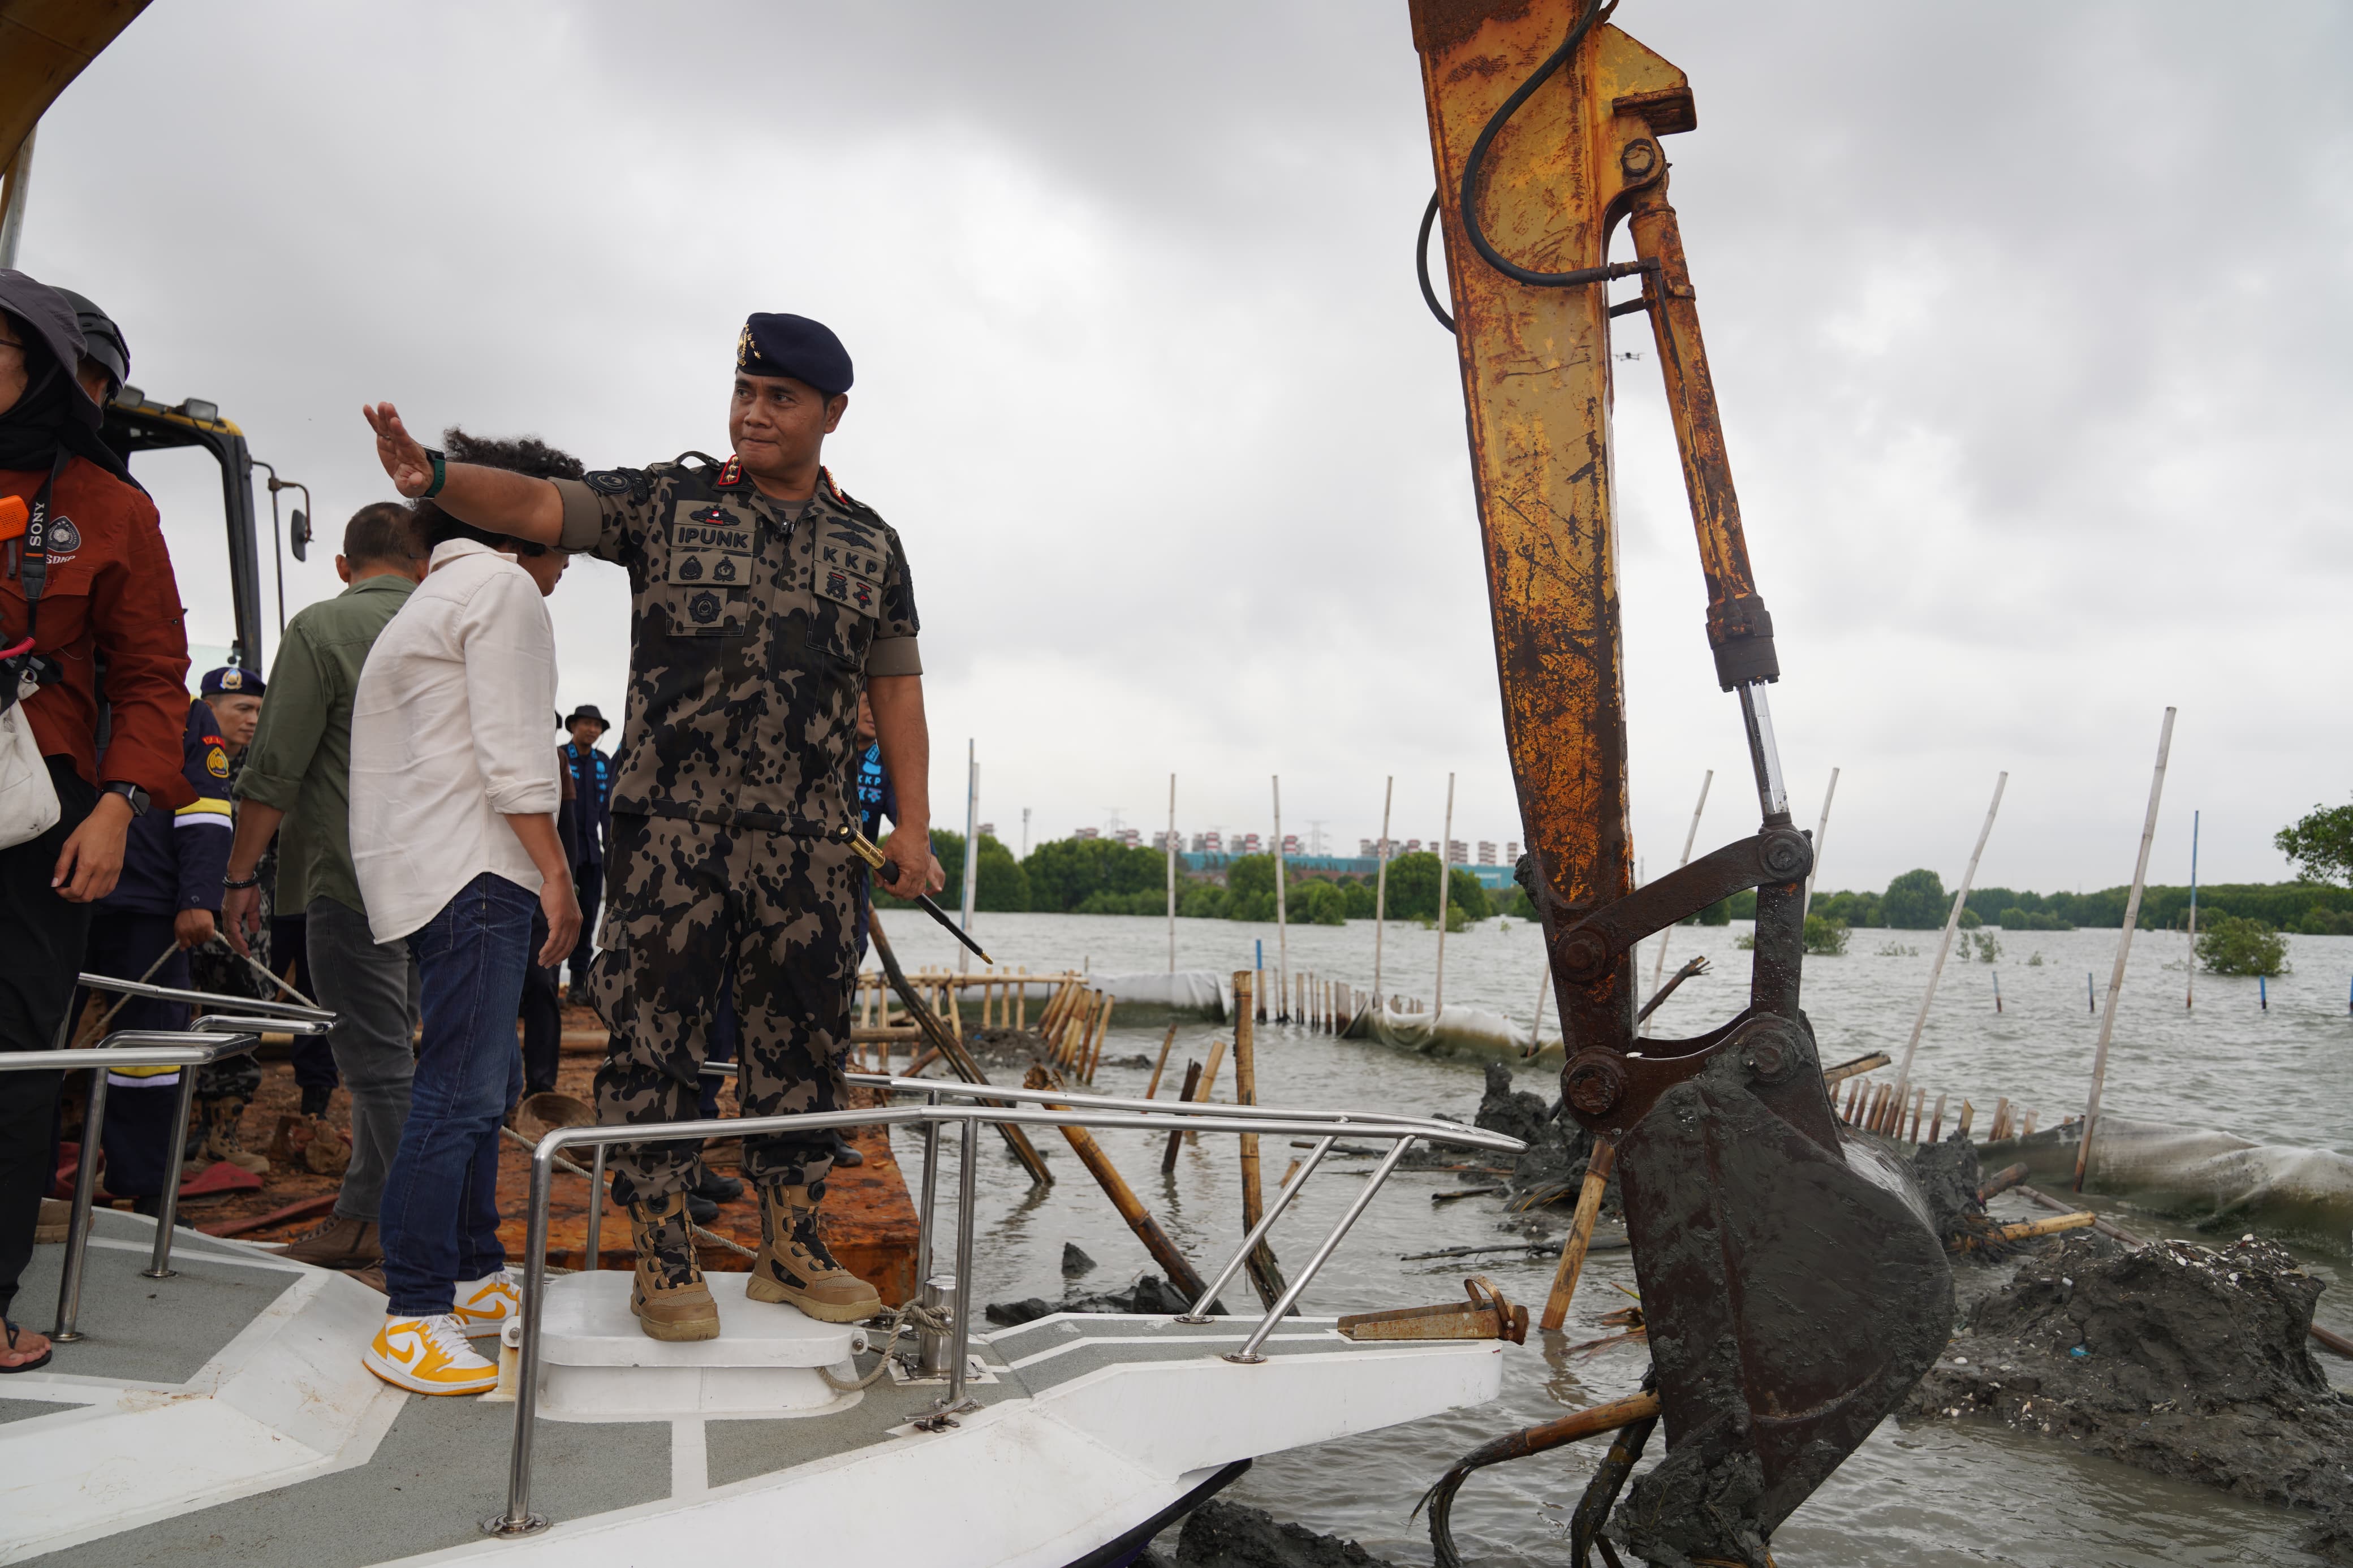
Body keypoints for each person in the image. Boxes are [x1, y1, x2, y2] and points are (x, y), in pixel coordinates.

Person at [363, 310, 940, 1341]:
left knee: (803, 1043)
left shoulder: (872, 544)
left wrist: (915, 828)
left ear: (831, 414)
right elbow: (542, 503)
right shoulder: (670, 502)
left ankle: (792, 1244)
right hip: (672, 836)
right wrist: (436, 479)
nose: (754, 413)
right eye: (746, 392)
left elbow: (896, 692)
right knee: (655, 1045)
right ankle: (664, 1251)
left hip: (809, 845)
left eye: (781, 398)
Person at [0, 271, 196, 1373]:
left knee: (18, 1056)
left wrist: (121, 807)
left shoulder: (113, 509)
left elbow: (156, 677)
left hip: (43, 817)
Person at [347, 457, 578, 1394]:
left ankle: (475, 1272)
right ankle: (411, 1310)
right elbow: (516, 752)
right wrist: (557, 874)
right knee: (458, 1088)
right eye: (570, 532)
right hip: (481, 865)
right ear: (524, 524)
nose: (573, 556)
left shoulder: (434, 595)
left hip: (433, 865)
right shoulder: (506, 590)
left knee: (485, 1085)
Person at [221, 503, 428, 1269]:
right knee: (410, 1058)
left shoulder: (320, 629)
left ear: (343, 567)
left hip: (349, 878)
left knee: (376, 1068)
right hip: (445, 883)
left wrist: (241, 873)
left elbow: (274, 770)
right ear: (423, 563)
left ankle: (391, 1224)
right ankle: (379, 1209)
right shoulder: (458, 627)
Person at [80, 677, 235, 1208]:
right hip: (51, 904)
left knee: (151, 1059)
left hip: (147, 908)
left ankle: (146, 1190)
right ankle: (22, 1186)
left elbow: (206, 810)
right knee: (34, 1049)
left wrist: (198, 896)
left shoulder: (186, 711)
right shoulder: (46, 693)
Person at [559, 704, 611, 1004]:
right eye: (587, 724)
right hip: (563, 854)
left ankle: (579, 983)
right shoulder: (559, 756)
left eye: (597, 726)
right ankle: (545, 980)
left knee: (588, 918)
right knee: (555, 918)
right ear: (573, 726)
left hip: (593, 855)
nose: (592, 730)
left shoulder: (604, 762)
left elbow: (607, 812)